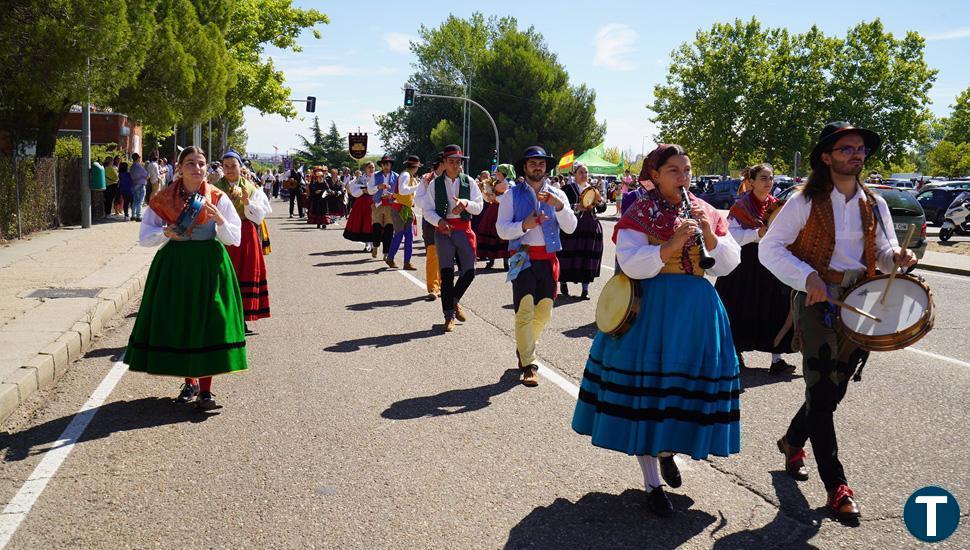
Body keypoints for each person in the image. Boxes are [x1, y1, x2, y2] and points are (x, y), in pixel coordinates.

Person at [571, 144, 742, 517]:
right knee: (648, 396)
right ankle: (652, 482)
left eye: (687, 170)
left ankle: (668, 451)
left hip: (697, 311)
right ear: (656, 174)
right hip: (652, 309)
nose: (684, 178)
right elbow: (631, 263)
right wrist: (669, 246)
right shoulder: (640, 212)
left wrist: (709, 236)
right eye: (674, 171)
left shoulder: (707, 210)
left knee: (685, 392)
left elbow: (728, 263)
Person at [760, 122, 917, 522]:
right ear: (827, 157)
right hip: (817, 301)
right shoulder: (803, 201)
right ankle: (837, 485)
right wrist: (806, 277)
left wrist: (897, 257)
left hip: (862, 302)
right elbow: (769, 248)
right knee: (819, 385)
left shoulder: (875, 203)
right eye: (847, 148)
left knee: (832, 391)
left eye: (860, 149)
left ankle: (792, 440)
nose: (856, 154)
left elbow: (881, 251)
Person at [125, 146, 246, 410]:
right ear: (179, 167)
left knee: (211, 322)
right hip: (175, 266)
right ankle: (189, 382)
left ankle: (206, 391)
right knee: (183, 321)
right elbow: (145, 238)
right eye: (190, 163)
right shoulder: (163, 198)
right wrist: (165, 233)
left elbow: (234, 239)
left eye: (201, 163)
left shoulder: (217, 197)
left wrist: (221, 221)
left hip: (210, 265)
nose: (197, 168)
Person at [496, 147, 577, 386]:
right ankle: (530, 365)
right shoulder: (511, 195)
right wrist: (524, 225)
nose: (538, 167)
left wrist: (559, 206)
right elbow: (502, 230)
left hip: (548, 259)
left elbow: (571, 227)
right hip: (522, 257)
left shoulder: (558, 194)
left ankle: (524, 347)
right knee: (524, 310)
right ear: (525, 167)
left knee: (544, 313)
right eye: (533, 163)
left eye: (541, 163)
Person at [714, 163, 795, 373]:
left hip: (770, 263)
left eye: (770, 178)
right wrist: (756, 234)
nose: (768, 182)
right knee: (740, 308)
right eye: (763, 178)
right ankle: (736, 353)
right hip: (744, 266)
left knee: (775, 307)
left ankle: (777, 358)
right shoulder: (741, 207)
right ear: (751, 182)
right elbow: (730, 237)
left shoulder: (777, 205)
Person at [415, 144, 484, 332]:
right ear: (444, 163)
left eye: (458, 161)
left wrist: (466, 203)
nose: (455, 165)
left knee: (469, 272)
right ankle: (448, 315)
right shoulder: (434, 184)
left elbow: (479, 207)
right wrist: (439, 221)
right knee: (446, 274)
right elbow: (427, 210)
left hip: (464, 229)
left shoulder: (469, 182)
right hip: (444, 231)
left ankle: (453, 301)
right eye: (451, 161)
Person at [211, 149, 273, 330]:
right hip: (222, 234)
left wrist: (247, 202)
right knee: (224, 275)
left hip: (245, 235)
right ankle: (223, 316)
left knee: (244, 274)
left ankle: (243, 318)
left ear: (240, 166)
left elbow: (259, 217)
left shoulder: (252, 188)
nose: (230, 169)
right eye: (226, 166)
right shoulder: (215, 188)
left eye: (233, 165)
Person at [558, 162, 605, 299]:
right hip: (572, 226)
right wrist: (577, 206)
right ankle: (563, 281)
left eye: (586, 172)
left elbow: (602, 208)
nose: (584, 175)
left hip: (590, 227)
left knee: (587, 256)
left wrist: (600, 201)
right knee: (568, 254)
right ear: (575, 174)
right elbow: (562, 206)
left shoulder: (593, 189)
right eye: (581, 172)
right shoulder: (567, 189)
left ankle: (585, 290)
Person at [415, 154, 444, 301]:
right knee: (432, 254)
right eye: (448, 161)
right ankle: (433, 287)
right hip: (430, 222)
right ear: (441, 163)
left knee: (446, 255)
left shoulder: (457, 178)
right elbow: (418, 200)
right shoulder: (427, 178)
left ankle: (443, 285)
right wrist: (432, 203)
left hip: (450, 222)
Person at [476, 164, 516, 270]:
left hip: (503, 209)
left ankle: (506, 261)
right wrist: (485, 191)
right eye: (496, 172)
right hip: (493, 210)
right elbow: (489, 198)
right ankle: (491, 259)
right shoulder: (496, 182)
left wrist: (494, 196)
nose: (496, 174)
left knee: (503, 233)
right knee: (490, 231)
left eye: (498, 172)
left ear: (504, 173)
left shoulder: (509, 184)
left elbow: (508, 196)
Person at [386, 155, 422, 270]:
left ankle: (407, 262)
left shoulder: (409, 175)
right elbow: (403, 190)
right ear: (415, 167)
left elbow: (410, 194)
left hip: (406, 209)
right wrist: (418, 186)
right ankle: (390, 258)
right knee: (399, 234)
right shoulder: (406, 175)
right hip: (399, 209)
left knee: (409, 236)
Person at [368, 155, 398, 261]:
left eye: (388, 164)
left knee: (389, 230)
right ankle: (375, 246)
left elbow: (399, 192)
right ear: (381, 165)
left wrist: (392, 195)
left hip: (391, 205)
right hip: (377, 205)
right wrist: (378, 187)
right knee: (376, 227)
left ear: (391, 165)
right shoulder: (375, 175)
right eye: (384, 164)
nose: (386, 166)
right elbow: (370, 190)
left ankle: (386, 252)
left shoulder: (396, 176)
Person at [343, 162, 377, 250]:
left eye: (373, 167)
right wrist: (362, 191)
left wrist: (371, 191)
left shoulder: (377, 178)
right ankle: (367, 244)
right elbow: (354, 192)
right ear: (365, 168)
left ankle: (373, 244)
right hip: (362, 203)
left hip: (375, 202)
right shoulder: (360, 179)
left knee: (374, 223)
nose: (371, 169)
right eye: (369, 167)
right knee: (364, 223)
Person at [129, 153, 149, 221]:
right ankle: (138, 216)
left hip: (134, 184)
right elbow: (146, 175)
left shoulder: (131, 167)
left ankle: (133, 215)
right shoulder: (139, 166)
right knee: (140, 201)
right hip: (140, 184)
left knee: (135, 200)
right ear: (138, 158)